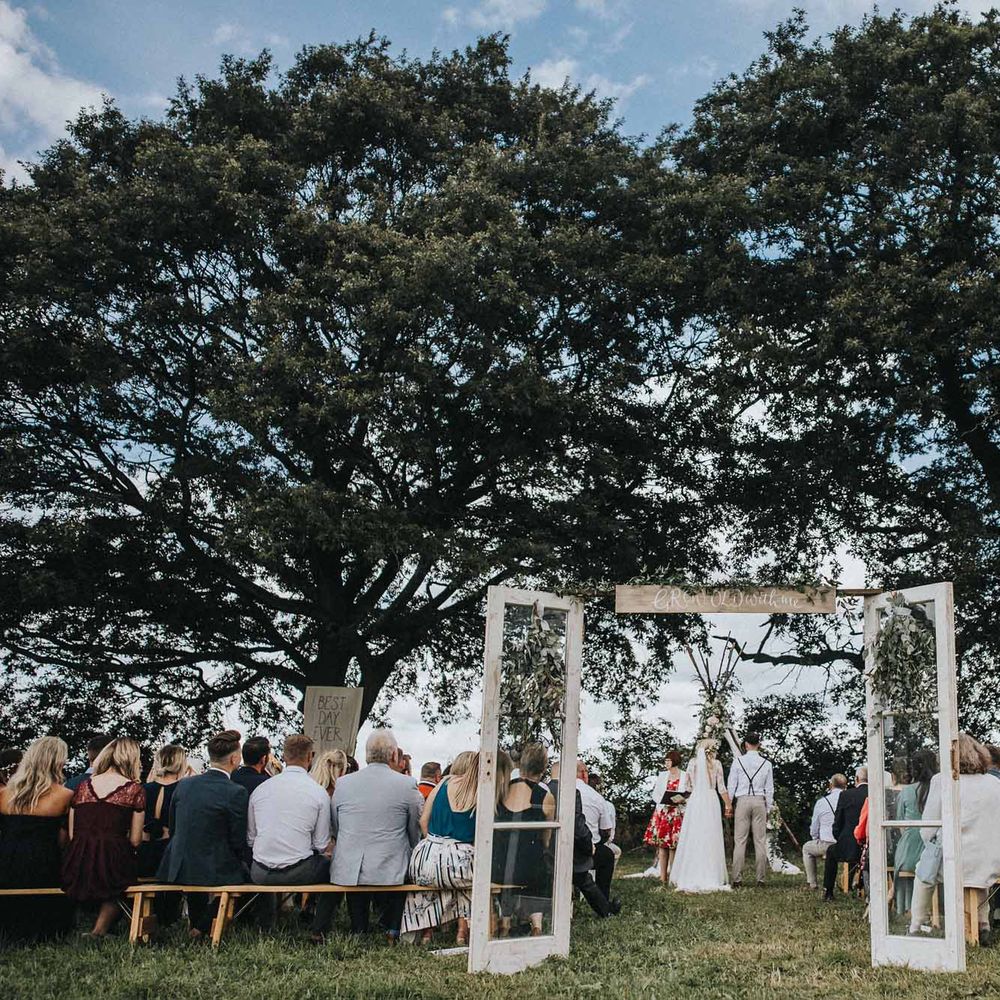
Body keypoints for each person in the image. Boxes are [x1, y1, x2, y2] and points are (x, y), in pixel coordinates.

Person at [313, 729, 424, 943]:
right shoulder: (406, 784)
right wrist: (411, 846)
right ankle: (392, 928)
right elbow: (414, 827)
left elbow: (336, 824)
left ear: (366, 754)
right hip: (391, 865)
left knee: (355, 866)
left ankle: (359, 928)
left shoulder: (344, 783)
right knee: (399, 863)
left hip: (350, 864)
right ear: (393, 755)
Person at [401, 750, 511, 944]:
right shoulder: (484, 792)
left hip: (425, 857)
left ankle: (426, 931)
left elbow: (423, 821)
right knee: (471, 877)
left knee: (447, 878)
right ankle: (465, 931)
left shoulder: (443, 782)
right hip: (458, 859)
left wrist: (437, 849)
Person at [156, 729, 248, 940]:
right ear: (234, 758)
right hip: (212, 863)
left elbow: (174, 826)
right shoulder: (236, 791)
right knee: (244, 876)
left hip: (177, 862)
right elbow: (237, 838)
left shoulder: (184, 785)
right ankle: (202, 926)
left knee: (198, 874)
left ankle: (197, 926)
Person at [910, 734, 1000, 944]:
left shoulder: (942, 780)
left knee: (923, 870)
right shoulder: (994, 783)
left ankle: (916, 924)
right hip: (990, 859)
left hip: (954, 860)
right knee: (979, 866)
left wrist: (931, 844)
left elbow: (928, 827)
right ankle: (982, 924)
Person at [62, 737, 145, 938]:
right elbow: (135, 839)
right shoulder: (134, 789)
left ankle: (96, 927)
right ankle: (100, 930)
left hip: (78, 857)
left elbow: (73, 833)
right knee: (123, 878)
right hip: (113, 858)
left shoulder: (82, 786)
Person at [248, 734, 330, 928]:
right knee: (330, 865)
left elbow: (251, 839)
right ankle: (318, 925)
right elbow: (320, 844)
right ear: (310, 757)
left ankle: (266, 922)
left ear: (284, 756)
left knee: (263, 858)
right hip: (299, 872)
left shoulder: (261, 789)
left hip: (259, 872)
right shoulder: (318, 793)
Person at [0, 736, 75, 941]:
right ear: (58, 762)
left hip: (7, 863)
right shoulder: (65, 795)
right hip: (44, 865)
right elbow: (64, 840)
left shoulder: (4, 794)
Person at [493, 743, 556, 936]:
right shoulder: (545, 796)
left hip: (499, 865)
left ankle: (505, 921)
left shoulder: (502, 791)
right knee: (542, 859)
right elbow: (546, 839)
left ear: (521, 764)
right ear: (544, 768)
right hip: (530, 866)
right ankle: (537, 924)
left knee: (509, 856)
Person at [548, 760, 619, 918]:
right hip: (581, 848)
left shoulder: (547, 789)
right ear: (584, 774)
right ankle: (604, 903)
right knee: (605, 856)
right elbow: (603, 830)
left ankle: (603, 906)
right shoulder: (589, 796)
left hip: (549, 848)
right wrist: (591, 844)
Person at [671, 738, 732, 893]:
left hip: (696, 801)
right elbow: (722, 788)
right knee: (710, 836)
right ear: (713, 749)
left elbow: (687, 787)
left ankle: (691, 872)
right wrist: (728, 804)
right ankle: (711, 873)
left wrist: (680, 799)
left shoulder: (692, 763)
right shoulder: (717, 764)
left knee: (695, 835)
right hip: (711, 801)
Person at [138, 743, 188, 927]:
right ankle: (170, 917)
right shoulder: (183, 789)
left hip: (146, 852)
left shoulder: (145, 789)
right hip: (171, 853)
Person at [893, 748, 938, 914]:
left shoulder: (907, 791)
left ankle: (906, 908)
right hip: (935, 846)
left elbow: (900, 823)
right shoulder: (941, 788)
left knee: (905, 865)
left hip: (909, 849)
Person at [727, 732, 774, 887]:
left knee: (740, 841)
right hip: (759, 801)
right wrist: (768, 808)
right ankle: (760, 879)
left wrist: (729, 804)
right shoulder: (766, 764)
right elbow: (769, 789)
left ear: (746, 744)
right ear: (758, 744)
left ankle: (737, 879)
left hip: (742, 801)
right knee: (760, 841)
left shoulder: (738, 762)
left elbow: (732, 785)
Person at [822, 767, 868, 901]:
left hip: (849, 845)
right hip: (871, 846)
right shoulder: (876, 794)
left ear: (857, 779)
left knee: (831, 852)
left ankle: (828, 891)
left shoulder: (846, 795)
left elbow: (837, 823)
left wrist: (840, 838)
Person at [576, 762, 619, 905]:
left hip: (557, 849)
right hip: (587, 851)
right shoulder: (596, 797)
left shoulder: (556, 790)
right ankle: (603, 899)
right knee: (607, 856)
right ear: (584, 774)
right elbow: (606, 830)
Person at [643, 751, 688, 884]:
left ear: (675, 761)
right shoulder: (663, 776)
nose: (666, 763)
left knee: (674, 845)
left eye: (668, 760)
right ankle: (663, 877)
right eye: (666, 761)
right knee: (663, 846)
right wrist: (663, 800)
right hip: (664, 812)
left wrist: (682, 800)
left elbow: (688, 792)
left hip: (677, 813)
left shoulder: (685, 776)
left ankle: (673, 877)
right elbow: (655, 794)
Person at [801, 774, 847, 890]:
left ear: (830, 785)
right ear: (845, 786)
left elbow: (814, 828)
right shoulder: (849, 800)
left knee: (806, 848)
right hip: (845, 844)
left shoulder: (821, 802)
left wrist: (815, 838)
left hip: (826, 844)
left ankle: (812, 883)